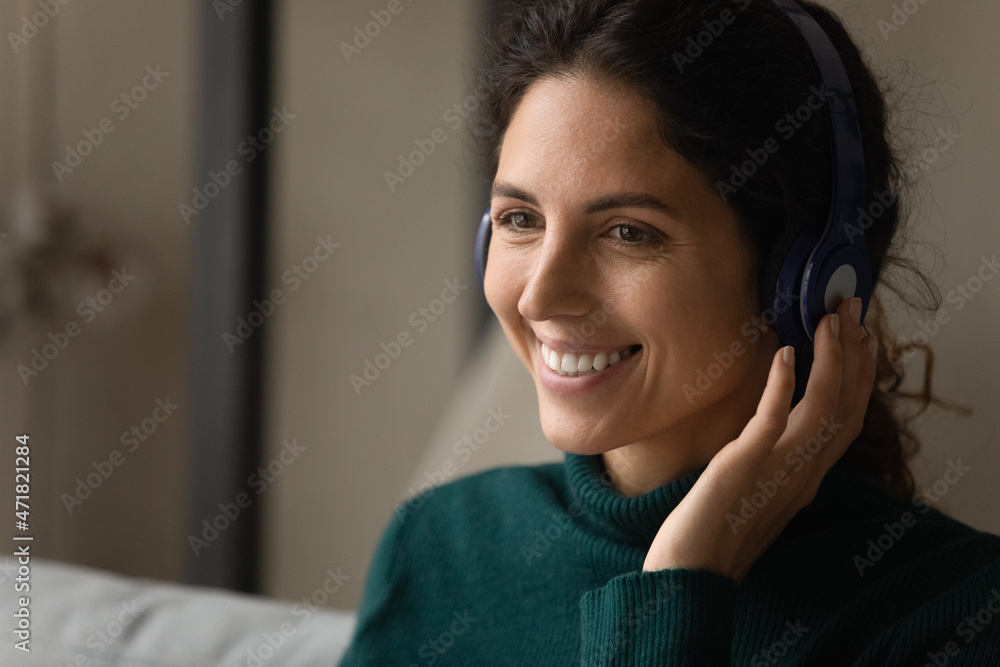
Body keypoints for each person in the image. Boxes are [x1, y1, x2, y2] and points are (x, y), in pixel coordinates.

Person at [338, 0, 1000, 664]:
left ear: (807, 277)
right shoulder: (441, 548)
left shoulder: (956, 611)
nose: (541, 293)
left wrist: (683, 581)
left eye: (628, 232)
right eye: (520, 218)